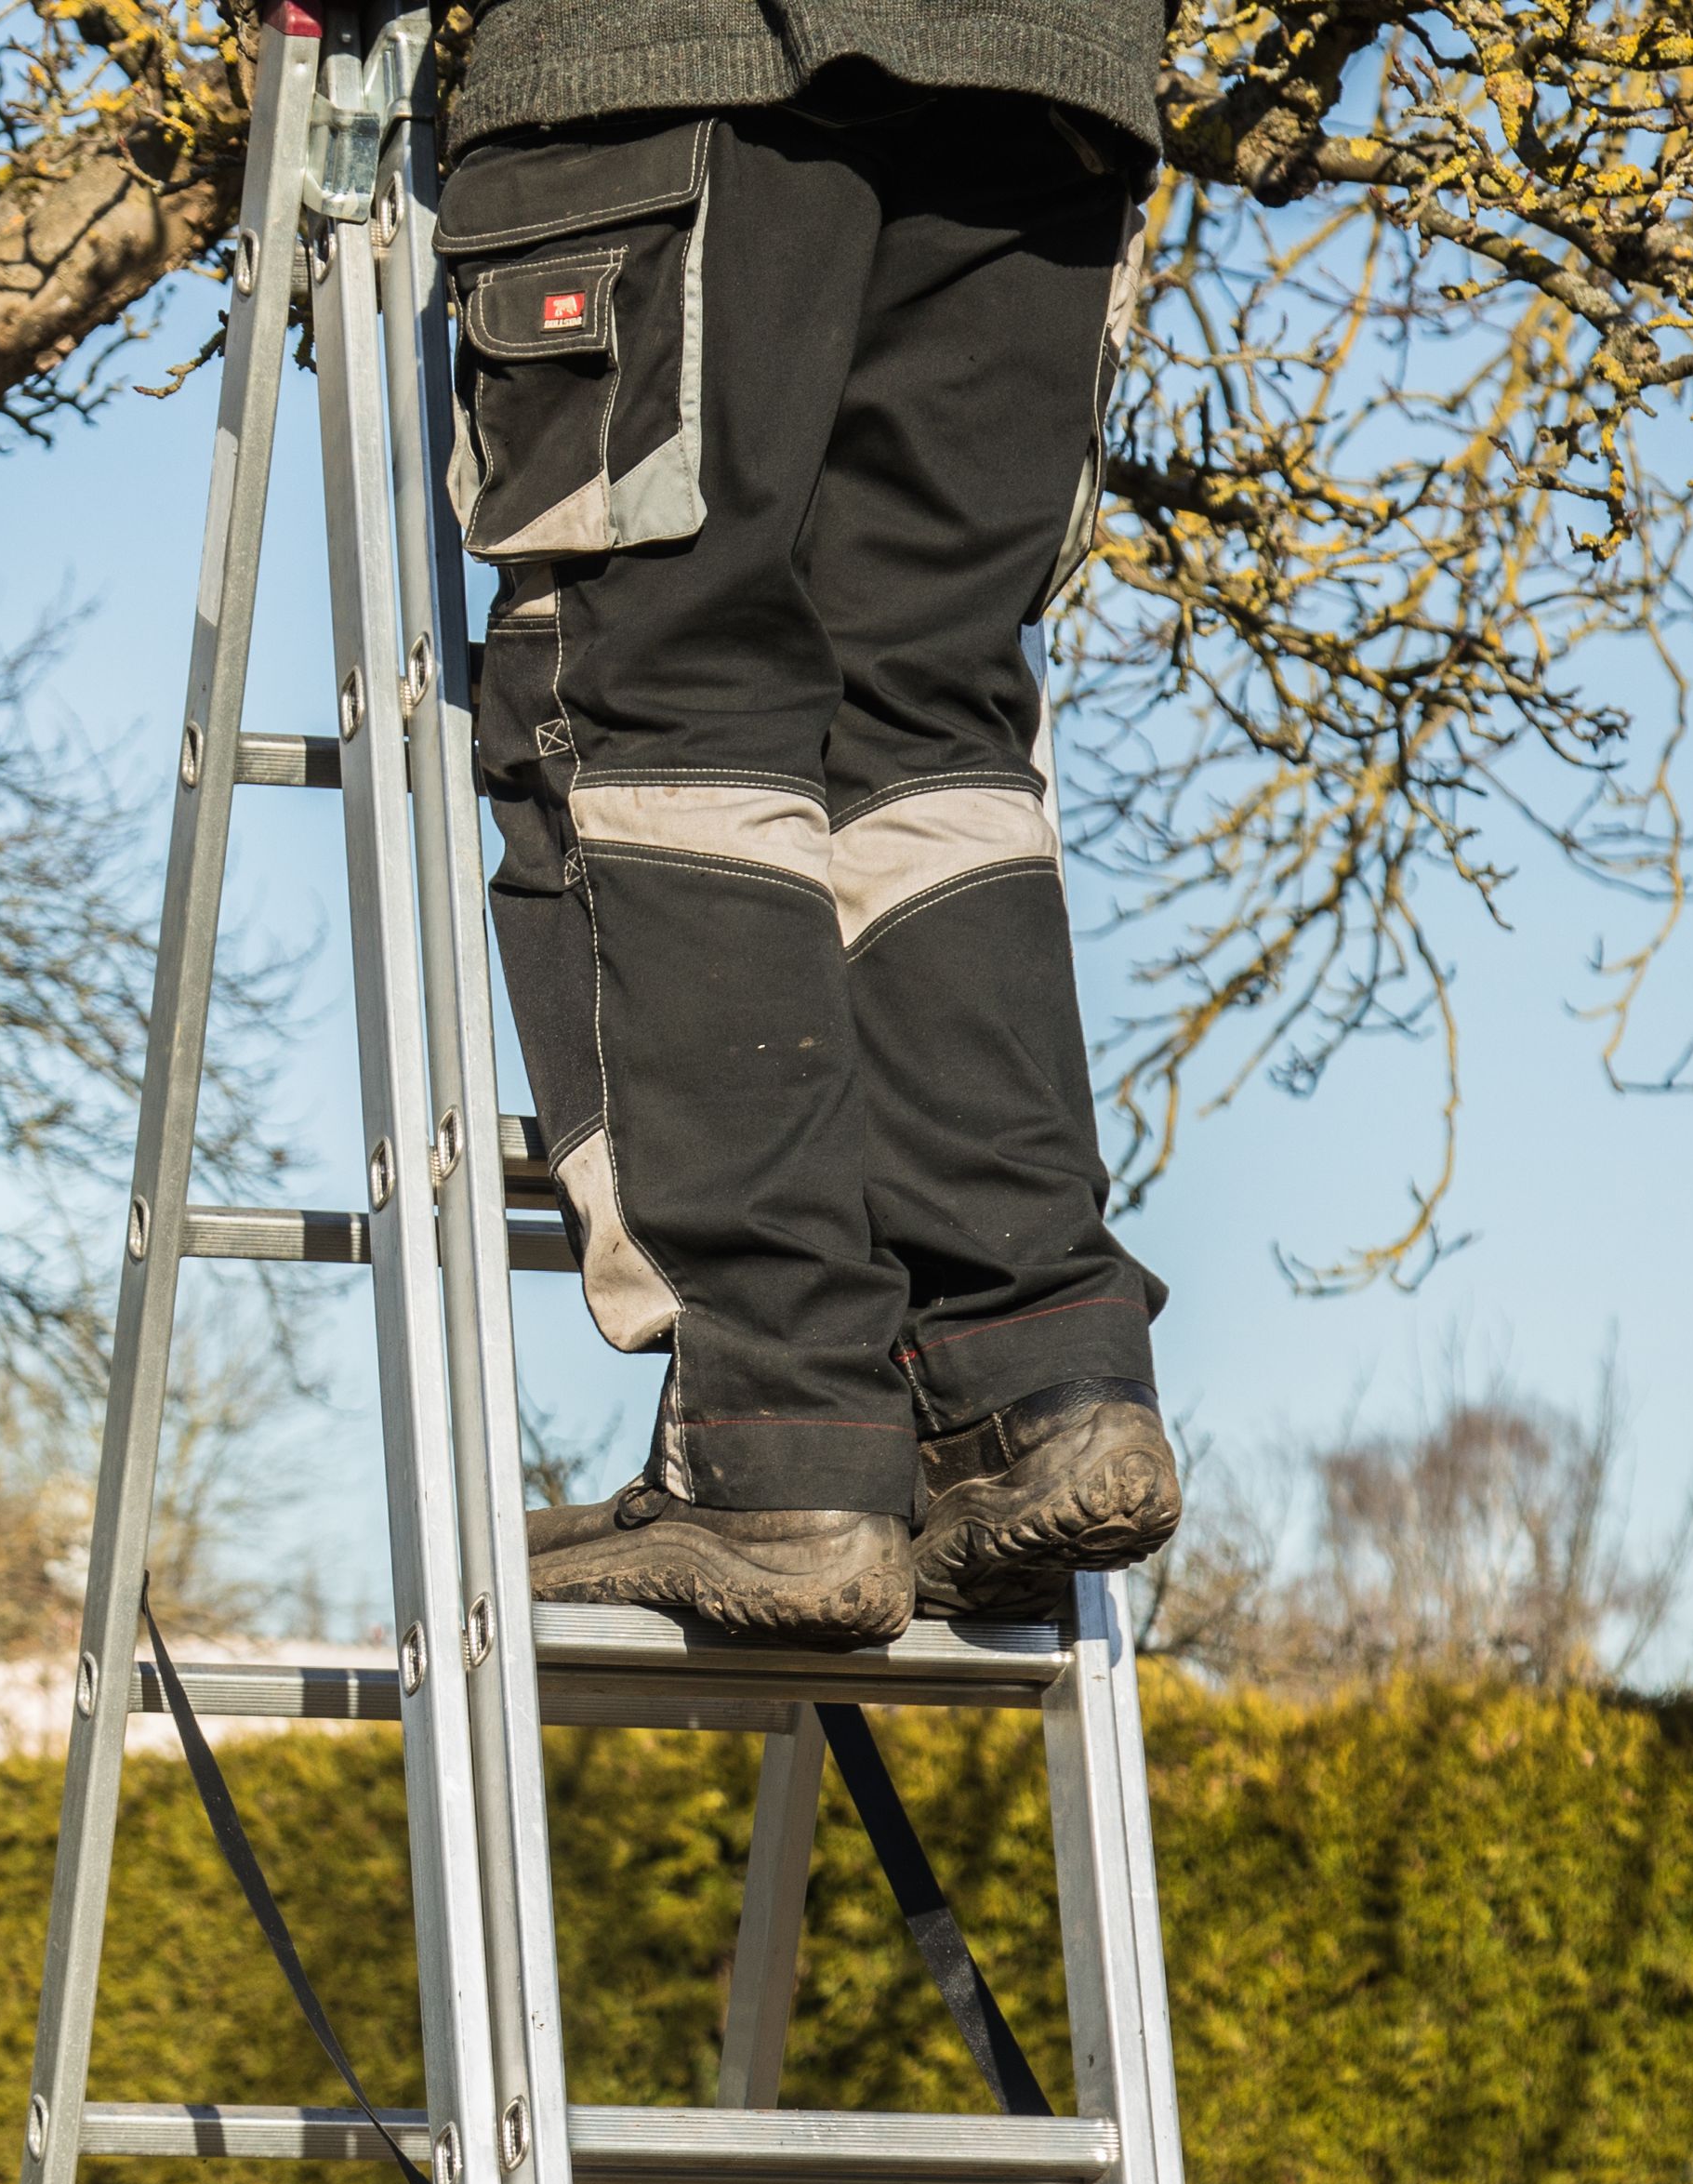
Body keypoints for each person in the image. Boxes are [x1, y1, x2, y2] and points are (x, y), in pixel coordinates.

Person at [440, 0, 1184, 1644]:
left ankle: (780, 1436)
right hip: (1044, 81)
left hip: (685, 55)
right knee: (928, 717)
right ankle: (1035, 1378)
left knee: (643, 700)